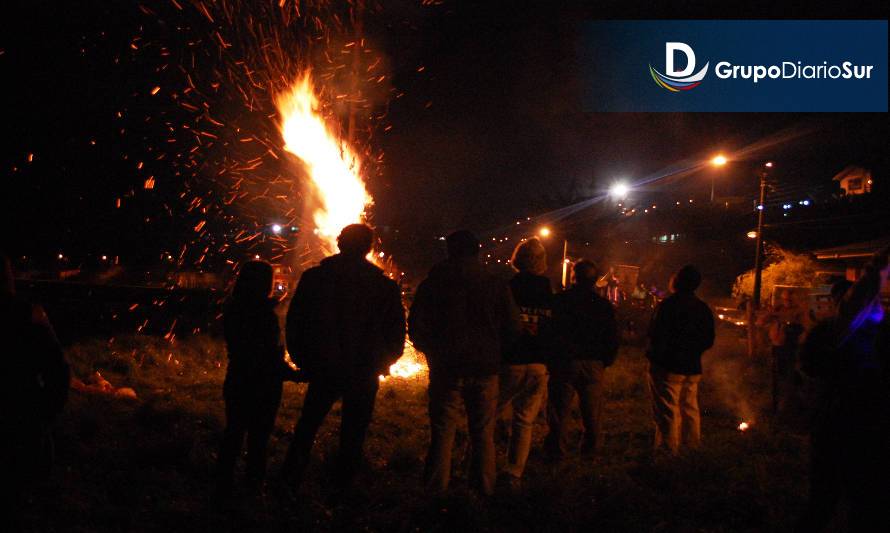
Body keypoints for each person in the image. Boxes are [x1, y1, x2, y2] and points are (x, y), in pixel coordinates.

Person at [283, 224, 405, 492]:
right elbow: (396, 333)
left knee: (308, 425)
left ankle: (289, 480)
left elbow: (295, 323)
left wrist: (303, 359)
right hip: (363, 371)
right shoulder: (383, 286)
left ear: (339, 243)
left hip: (324, 367)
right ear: (368, 248)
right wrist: (383, 361)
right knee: (354, 433)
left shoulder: (314, 279)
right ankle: (343, 487)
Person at [409, 230, 520, 496]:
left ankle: (435, 491)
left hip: (447, 367)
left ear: (449, 251)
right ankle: (484, 490)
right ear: (477, 251)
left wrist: (431, 352)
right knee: (483, 432)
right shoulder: (495, 283)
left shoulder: (433, 284)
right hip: (485, 367)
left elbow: (415, 325)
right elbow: (513, 327)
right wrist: (496, 352)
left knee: (443, 430)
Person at [0, 252, 70, 528]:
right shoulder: (27, 315)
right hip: (20, 431)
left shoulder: (25, 314)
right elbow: (58, 372)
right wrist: (42, 416)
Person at [215, 260, 293, 502]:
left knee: (234, 432)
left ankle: (223, 484)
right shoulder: (263, 316)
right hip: (262, 384)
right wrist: (295, 374)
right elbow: (268, 354)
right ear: (264, 283)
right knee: (259, 438)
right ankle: (253, 487)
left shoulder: (234, 307)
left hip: (238, 378)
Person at [545, 260, 619, 459]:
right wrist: (606, 360)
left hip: (565, 362)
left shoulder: (559, 301)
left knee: (559, 412)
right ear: (595, 280)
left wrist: (551, 359)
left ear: (573, 277)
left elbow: (550, 332)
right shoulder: (603, 306)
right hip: (594, 363)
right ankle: (591, 452)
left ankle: (556, 452)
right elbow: (612, 337)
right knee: (592, 413)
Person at [794, 279, 852, 531]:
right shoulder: (879, 329)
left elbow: (807, 366)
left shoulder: (828, 330)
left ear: (837, 300)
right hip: (871, 421)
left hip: (833, 415)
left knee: (824, 486)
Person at [498, 238, 552, 487]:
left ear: (517, 258)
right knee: (525, 419)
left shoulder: (508, 287)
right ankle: (513, 474)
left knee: (489, 414)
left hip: (511, 361)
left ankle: (476, 463)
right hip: (539, 363)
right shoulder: (549, 291)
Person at [646, 265, 714, 455]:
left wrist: (658, 355)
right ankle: (691, 448)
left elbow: (655, 334)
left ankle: (668, 453)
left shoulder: (667, 306)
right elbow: (708, 339)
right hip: (692, 367)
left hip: (667, 366)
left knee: (667, 411)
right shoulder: (702, 308)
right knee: (689, 408)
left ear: (676, 281)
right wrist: (693, 351)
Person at [757, 289, 810, 414]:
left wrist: (782, 318)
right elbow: (760, 322)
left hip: (791, 348)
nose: (787, 302)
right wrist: (770, 315)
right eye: (785, 299)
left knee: (790, 375)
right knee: (777, 374)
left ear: (795, 299)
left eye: (790, 300)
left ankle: (792, 404)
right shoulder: (777, 309)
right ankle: (776, 404)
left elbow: (805, 327)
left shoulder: (800, 311)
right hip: (777, 347)